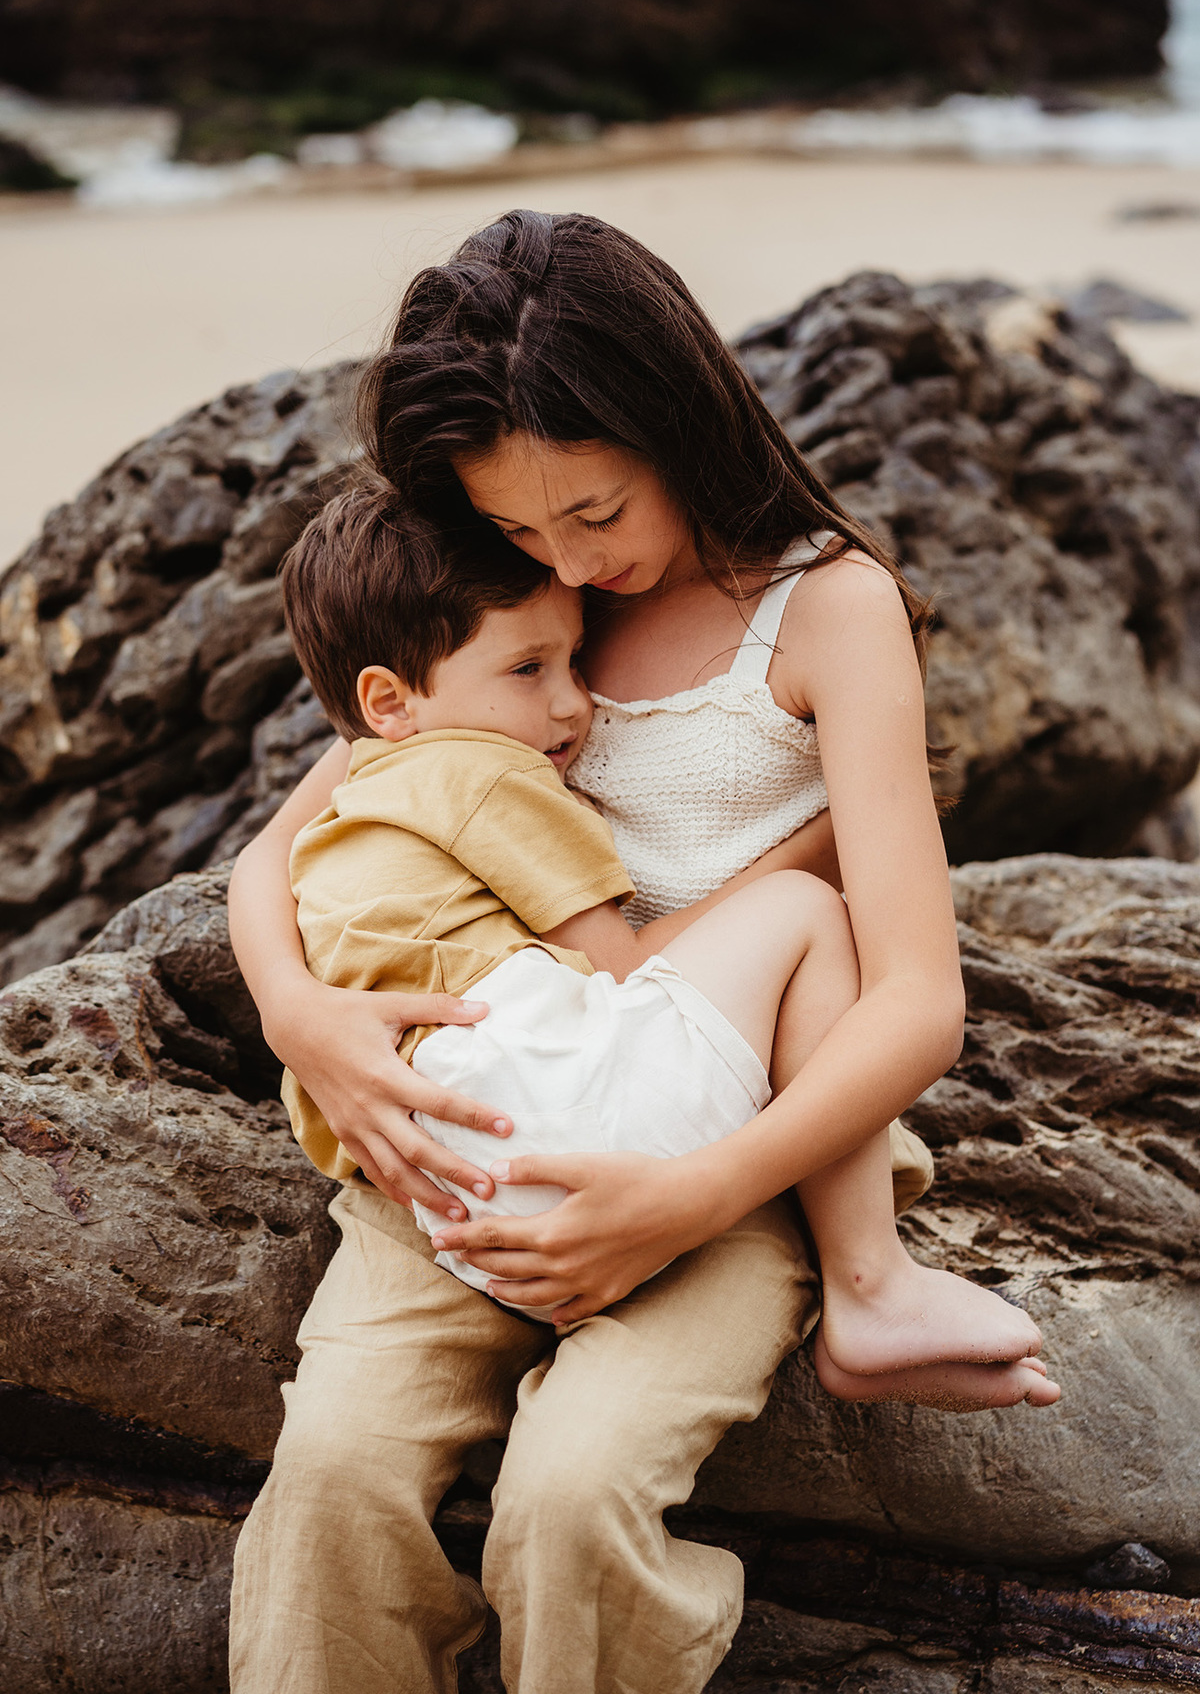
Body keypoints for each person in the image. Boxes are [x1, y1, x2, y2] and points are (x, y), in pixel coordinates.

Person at [228, 211, 1057, 1694]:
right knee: (337, 1480)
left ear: (676, 418)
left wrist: (684, 1197)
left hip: (725, 1154)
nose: (566, 559)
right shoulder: (506, 595)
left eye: (595, 513)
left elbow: (916, 993)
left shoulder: (828, 612)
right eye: (526, 528)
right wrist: (300, 1015)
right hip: (471, 1126)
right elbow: (290, 838)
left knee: (571, 1500)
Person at [276, 482, 1052, 1370]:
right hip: (570, 1123)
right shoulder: (487, 768)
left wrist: (295, 1020)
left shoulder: (378, 774)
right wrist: (831, 833)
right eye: (533, 671)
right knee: (806, 916)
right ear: (387, 698)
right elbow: (622, 967)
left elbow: (273, 861)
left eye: (573, 664)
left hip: (456, 1187)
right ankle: (870, 1278)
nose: (573, 706)